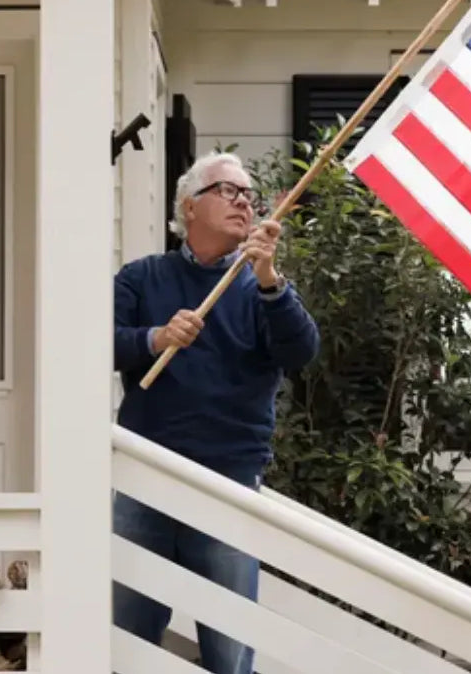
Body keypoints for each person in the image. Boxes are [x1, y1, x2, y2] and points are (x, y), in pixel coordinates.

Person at [111, 150, 320, 674]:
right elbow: (98, 344)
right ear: (190, 206)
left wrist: (271, 279)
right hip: (147, 478)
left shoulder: (259, 289)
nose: (244, 202)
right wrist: (154, 337)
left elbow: (301, 353)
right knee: (128, 640)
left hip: (227, 482)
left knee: (230, 651)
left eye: (248, 194)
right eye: (229, 191)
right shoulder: (142, 278)